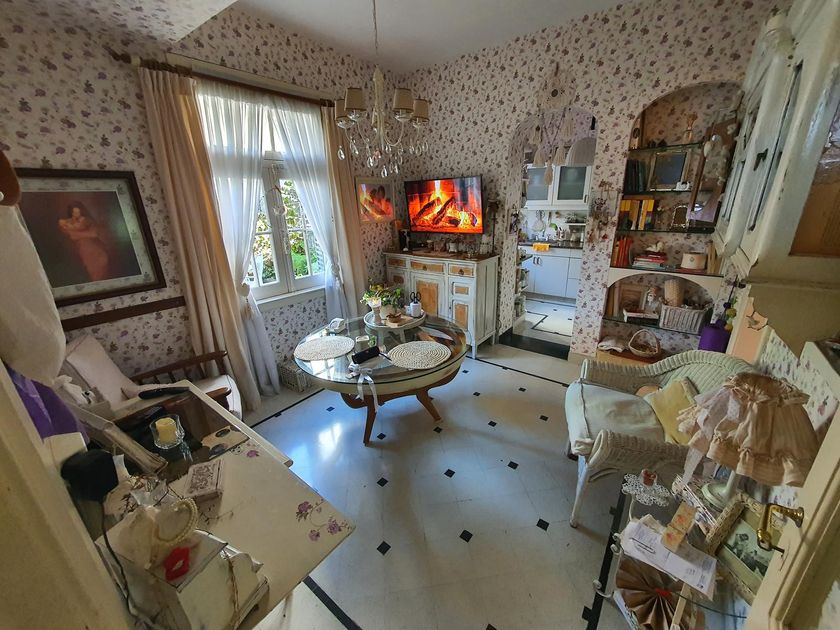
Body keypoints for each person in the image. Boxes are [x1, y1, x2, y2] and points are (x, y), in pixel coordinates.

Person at [58, 202, 110, 281]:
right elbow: (70, 236)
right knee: (89, 268)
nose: (76, 214)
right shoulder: (67, 222)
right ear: (71, 213)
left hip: (95, 248)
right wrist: (77, 233)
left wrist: (76, 234)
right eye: (74, 212)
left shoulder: (87, 220)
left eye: (78, 212)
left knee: (102, 261)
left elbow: (94, 234)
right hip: (83, 250)